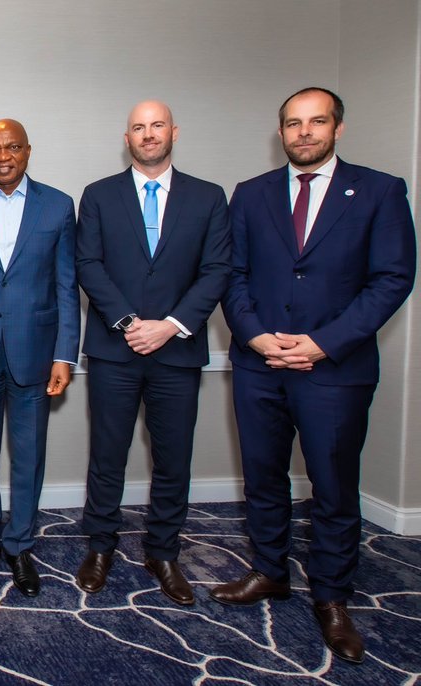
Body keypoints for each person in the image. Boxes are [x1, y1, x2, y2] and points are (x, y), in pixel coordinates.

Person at [213, 87, 416, 664]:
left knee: (331, 487)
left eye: (316, 121)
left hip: (336, 369)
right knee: (263, 478)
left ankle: (331, 596)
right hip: (260, 363)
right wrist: (253, 335)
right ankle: (270, 571)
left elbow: (392, 279)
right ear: (281, 132)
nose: (304, 132)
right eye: (293, 123)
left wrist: (323, 344)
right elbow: (234, 274)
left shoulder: (379, 191)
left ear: (338, 128)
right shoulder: (250, 195)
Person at [75, 101, 231, 606]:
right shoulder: (98, 196)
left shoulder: (208, 198)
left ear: (173, 132)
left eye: (156, 125)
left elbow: (216, 271)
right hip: (114, 351)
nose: (148, 134)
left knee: (173, 459)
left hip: (177, 351)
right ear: (127, 137)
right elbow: (89, 264)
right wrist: (127, 322)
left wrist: (170, 326)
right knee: (107, 455)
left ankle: (163, 553)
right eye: (138, 127)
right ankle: (100, 546)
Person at [0, 119, 79, 594]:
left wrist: (65, 354)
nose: (1, 156)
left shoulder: (59, 205)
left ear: (28, 151)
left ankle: (20, 546)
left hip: (35, 353)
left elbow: (67, 285)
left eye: (11, 147)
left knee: (28, 458)